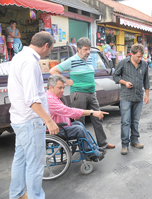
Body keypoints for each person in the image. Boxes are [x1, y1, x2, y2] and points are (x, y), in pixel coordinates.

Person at [8, 31, 59, 199]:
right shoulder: (30, 62)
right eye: (50, 49)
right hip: (30, 120)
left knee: (20, 160)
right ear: (46, 46)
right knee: (35, 165)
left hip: (19, 119)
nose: (49, 52)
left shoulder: (18, 57)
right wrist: (49, 121)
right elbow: (32, 99)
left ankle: (17, 194)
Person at [49, 37, 115, 149]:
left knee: (98, 117)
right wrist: (66, 81)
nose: (88, 52)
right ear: (78, 49)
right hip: (78, 94)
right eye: (85, 49)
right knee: (79, 121)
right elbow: (53, 71)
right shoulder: (71, 60)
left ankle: (103, 143)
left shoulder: (88, 60)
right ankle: (82, 147)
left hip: (91, 93)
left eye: (89, 49)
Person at [46, 74, 108, 161]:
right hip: (55, 129)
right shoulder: (50, 100)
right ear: (50, 87)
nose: (62, 90)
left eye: (63, 88)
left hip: (60, 125)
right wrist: (91, 112)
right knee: (78, 129)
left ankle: (93, 149)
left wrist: (72, 117)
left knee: (78, 124)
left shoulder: (53, 97)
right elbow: (67, 110)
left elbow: (63, 112)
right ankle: (91, 153)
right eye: (59, 88)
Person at [113, 44, 150, 155]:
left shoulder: (144, 65)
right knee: (125, 121)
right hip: (126, 97)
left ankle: (134, 140)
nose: (140, 59)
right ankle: (125, 144)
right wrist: (125, 83)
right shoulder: (123, 63)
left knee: (135, 120)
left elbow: (146, 80)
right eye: (138, 56)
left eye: (141, 57)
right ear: (132, 54)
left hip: (138, 97)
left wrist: (147, 95)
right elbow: (115, 76)